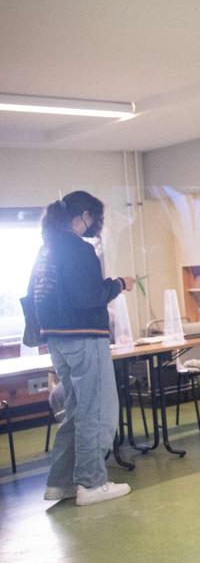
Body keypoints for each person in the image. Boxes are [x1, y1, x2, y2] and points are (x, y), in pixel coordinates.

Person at [33, 190, 135, 505]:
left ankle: (61, 483)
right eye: (96, 218)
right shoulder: (77, 248)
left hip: (57, 338)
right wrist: (119, 284)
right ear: (85, 216)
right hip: (84, 336)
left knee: (76, 411)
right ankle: (91, 483)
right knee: (97, 410)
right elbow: (88, 296)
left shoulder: (47, 249)